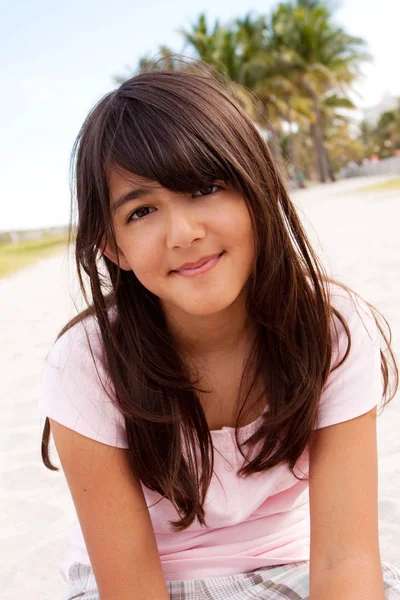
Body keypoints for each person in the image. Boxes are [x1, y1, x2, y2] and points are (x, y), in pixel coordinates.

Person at [38, 63, 400, 600]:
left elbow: (342, 555)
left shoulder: (332, 331)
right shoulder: (87, 361)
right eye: (141, 212)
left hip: (294, 564)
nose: (184, 233)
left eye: (205, 187)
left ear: (257, 189)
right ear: (113, 247)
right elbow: (131, 583)